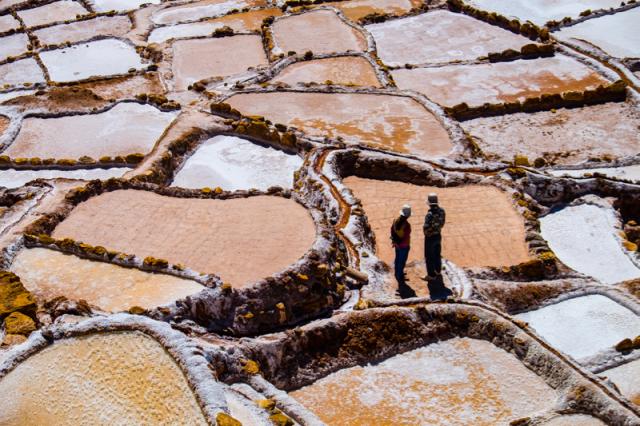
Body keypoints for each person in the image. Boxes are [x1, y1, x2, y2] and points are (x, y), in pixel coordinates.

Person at [423, 193, 451, 300]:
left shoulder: (429, 214)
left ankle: (431, 275)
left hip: (430, 237)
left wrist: (427, 233)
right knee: (437, 254)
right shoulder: (442, 211)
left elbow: (425, 228)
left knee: (429, 256)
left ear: (429, 204)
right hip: (438, 235)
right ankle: (438, 270)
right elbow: (442, 223)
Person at [390, 204, 412, 288]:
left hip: (397, 244)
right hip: (404, 245)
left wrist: (395, 242)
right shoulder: (407, 225)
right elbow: (406, 236)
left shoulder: (395, 221)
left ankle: (397, 272)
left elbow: (392, 231)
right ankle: (400, 275)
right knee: (402, 261)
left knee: (397, 258)